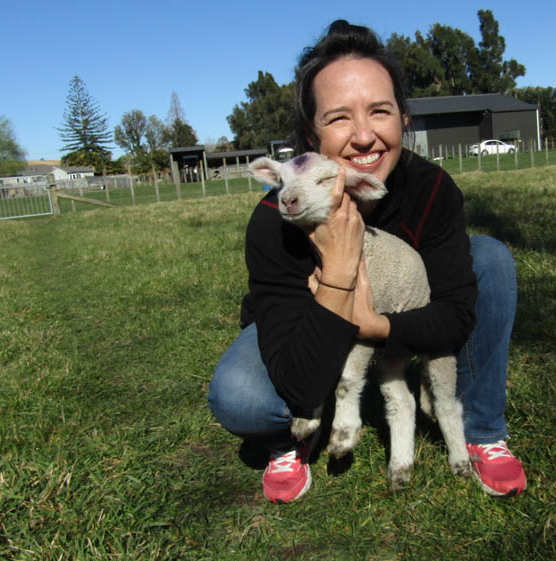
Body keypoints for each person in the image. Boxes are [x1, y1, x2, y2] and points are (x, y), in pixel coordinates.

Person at [208, 19, 526, 504]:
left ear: (402, 118)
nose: (363, 135)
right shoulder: (276, 216)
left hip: (398, 315)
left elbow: (455, 318)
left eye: (380, 111)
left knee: (489, 258)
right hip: (304, 327)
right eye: (338, 117)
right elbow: (291, 351)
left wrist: (374, 326)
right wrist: (337, 272)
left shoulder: (433, 191)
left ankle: (482, 430)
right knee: (240, 395)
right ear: (311, 136)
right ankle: (294, 434)